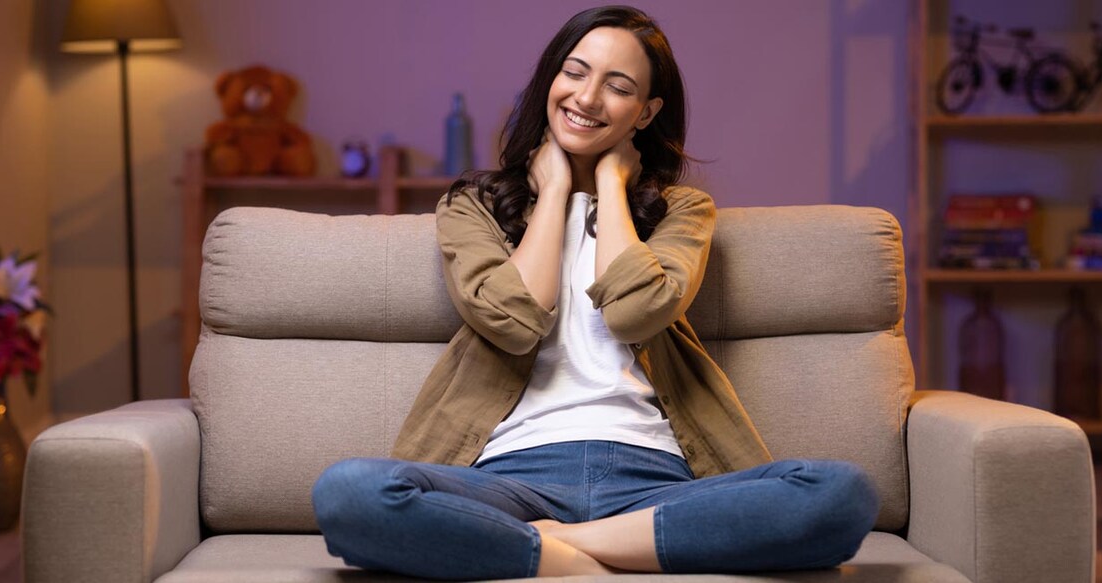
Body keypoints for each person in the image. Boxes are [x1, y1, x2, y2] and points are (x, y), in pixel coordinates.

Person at [312, 5, 879, 579]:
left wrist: (610, 184)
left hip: (654, 479)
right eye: (575, 72)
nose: (586, 98)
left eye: (618, 86)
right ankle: (600, 553)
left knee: (840, 494)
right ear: (552, 79)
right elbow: (514, 320)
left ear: (645, 112)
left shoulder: (681, 211)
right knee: (351, 492)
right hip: (507, 480)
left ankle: (555, 548)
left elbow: (634, 315)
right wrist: (555, 189)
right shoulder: (474, 207)